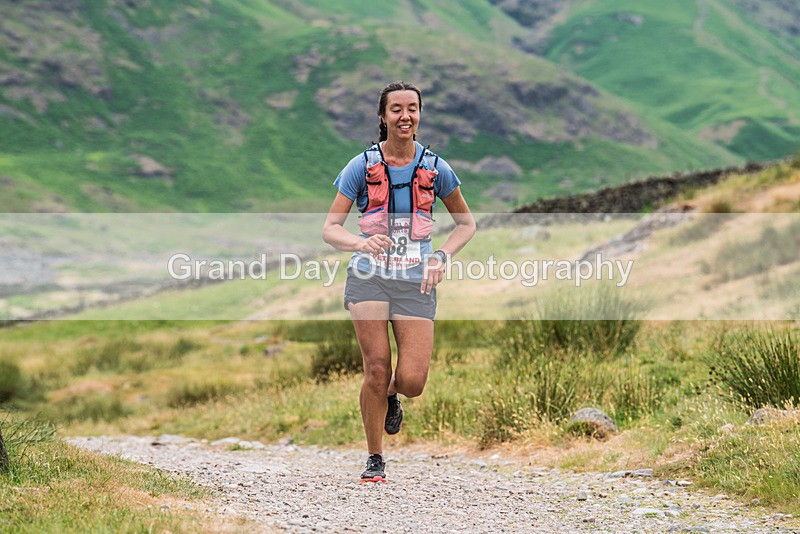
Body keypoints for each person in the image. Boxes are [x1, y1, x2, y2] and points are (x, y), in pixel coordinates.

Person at [322, 81, 476, 482]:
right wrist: (360, 241)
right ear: (383, 116)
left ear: (420, 114)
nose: (405, 116)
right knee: (375, 368)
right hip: (369, 278)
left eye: (412, 109)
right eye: (396, 109)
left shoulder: (436, 167)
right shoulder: (361, 165)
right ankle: (375, 457)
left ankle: (391, 396)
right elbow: (330, 229)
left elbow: (466, 224)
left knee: (412, 381)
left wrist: (441, 256)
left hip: (415, 283)